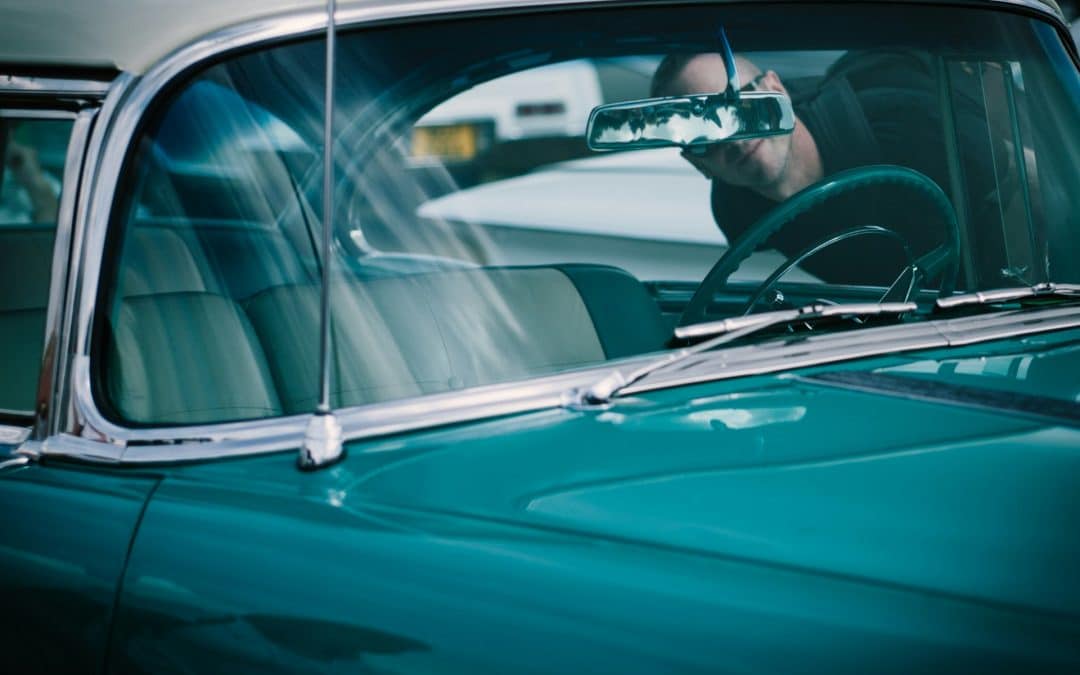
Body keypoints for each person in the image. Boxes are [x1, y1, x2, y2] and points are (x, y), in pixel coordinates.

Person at [651, 50, 994, 286]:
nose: (736, 141)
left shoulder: (911, 125)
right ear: (698, 164)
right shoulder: (737, 208)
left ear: (775, 89)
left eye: (741, 110)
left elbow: (1032, 178)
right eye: (705, 137)